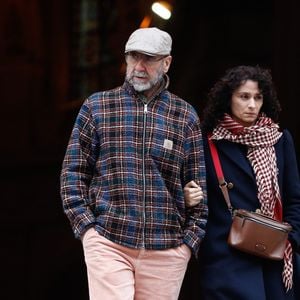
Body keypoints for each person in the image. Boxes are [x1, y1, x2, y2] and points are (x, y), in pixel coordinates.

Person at [60, 27, 208, 300]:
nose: (139, 66)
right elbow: (73, 173)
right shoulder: (98, 106)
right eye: (133, 57)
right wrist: (88, 231)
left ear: (167, 62)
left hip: (166, 248)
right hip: (108, 241)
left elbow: (199, 187)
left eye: (149, 58)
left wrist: (188, 244)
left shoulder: (184, 116)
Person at [184, 65, 300, 299]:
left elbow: (294, 199)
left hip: (274, 257)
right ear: (228, 99)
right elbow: (192, 194)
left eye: (258, 97)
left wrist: (291, 240)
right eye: (244, 97)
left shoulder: (280, 140)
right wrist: (186, 197)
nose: (252, 105)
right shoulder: (207, 143)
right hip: (226, 258)